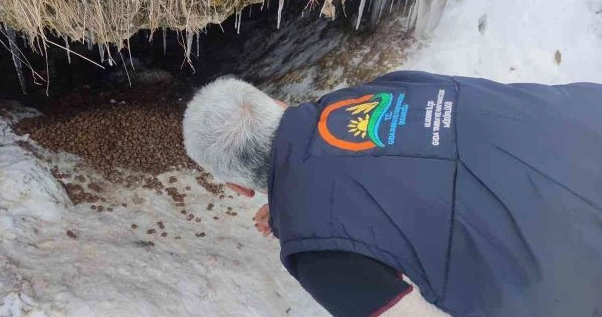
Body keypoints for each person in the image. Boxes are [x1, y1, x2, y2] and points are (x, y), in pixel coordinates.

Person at [182, 71, 602, 317]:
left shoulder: (315, 252)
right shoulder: (377, 89)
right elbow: (402, 160)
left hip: (578, 267)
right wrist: (297, 204)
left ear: (236, 187)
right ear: (273, 102)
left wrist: (305, 222)